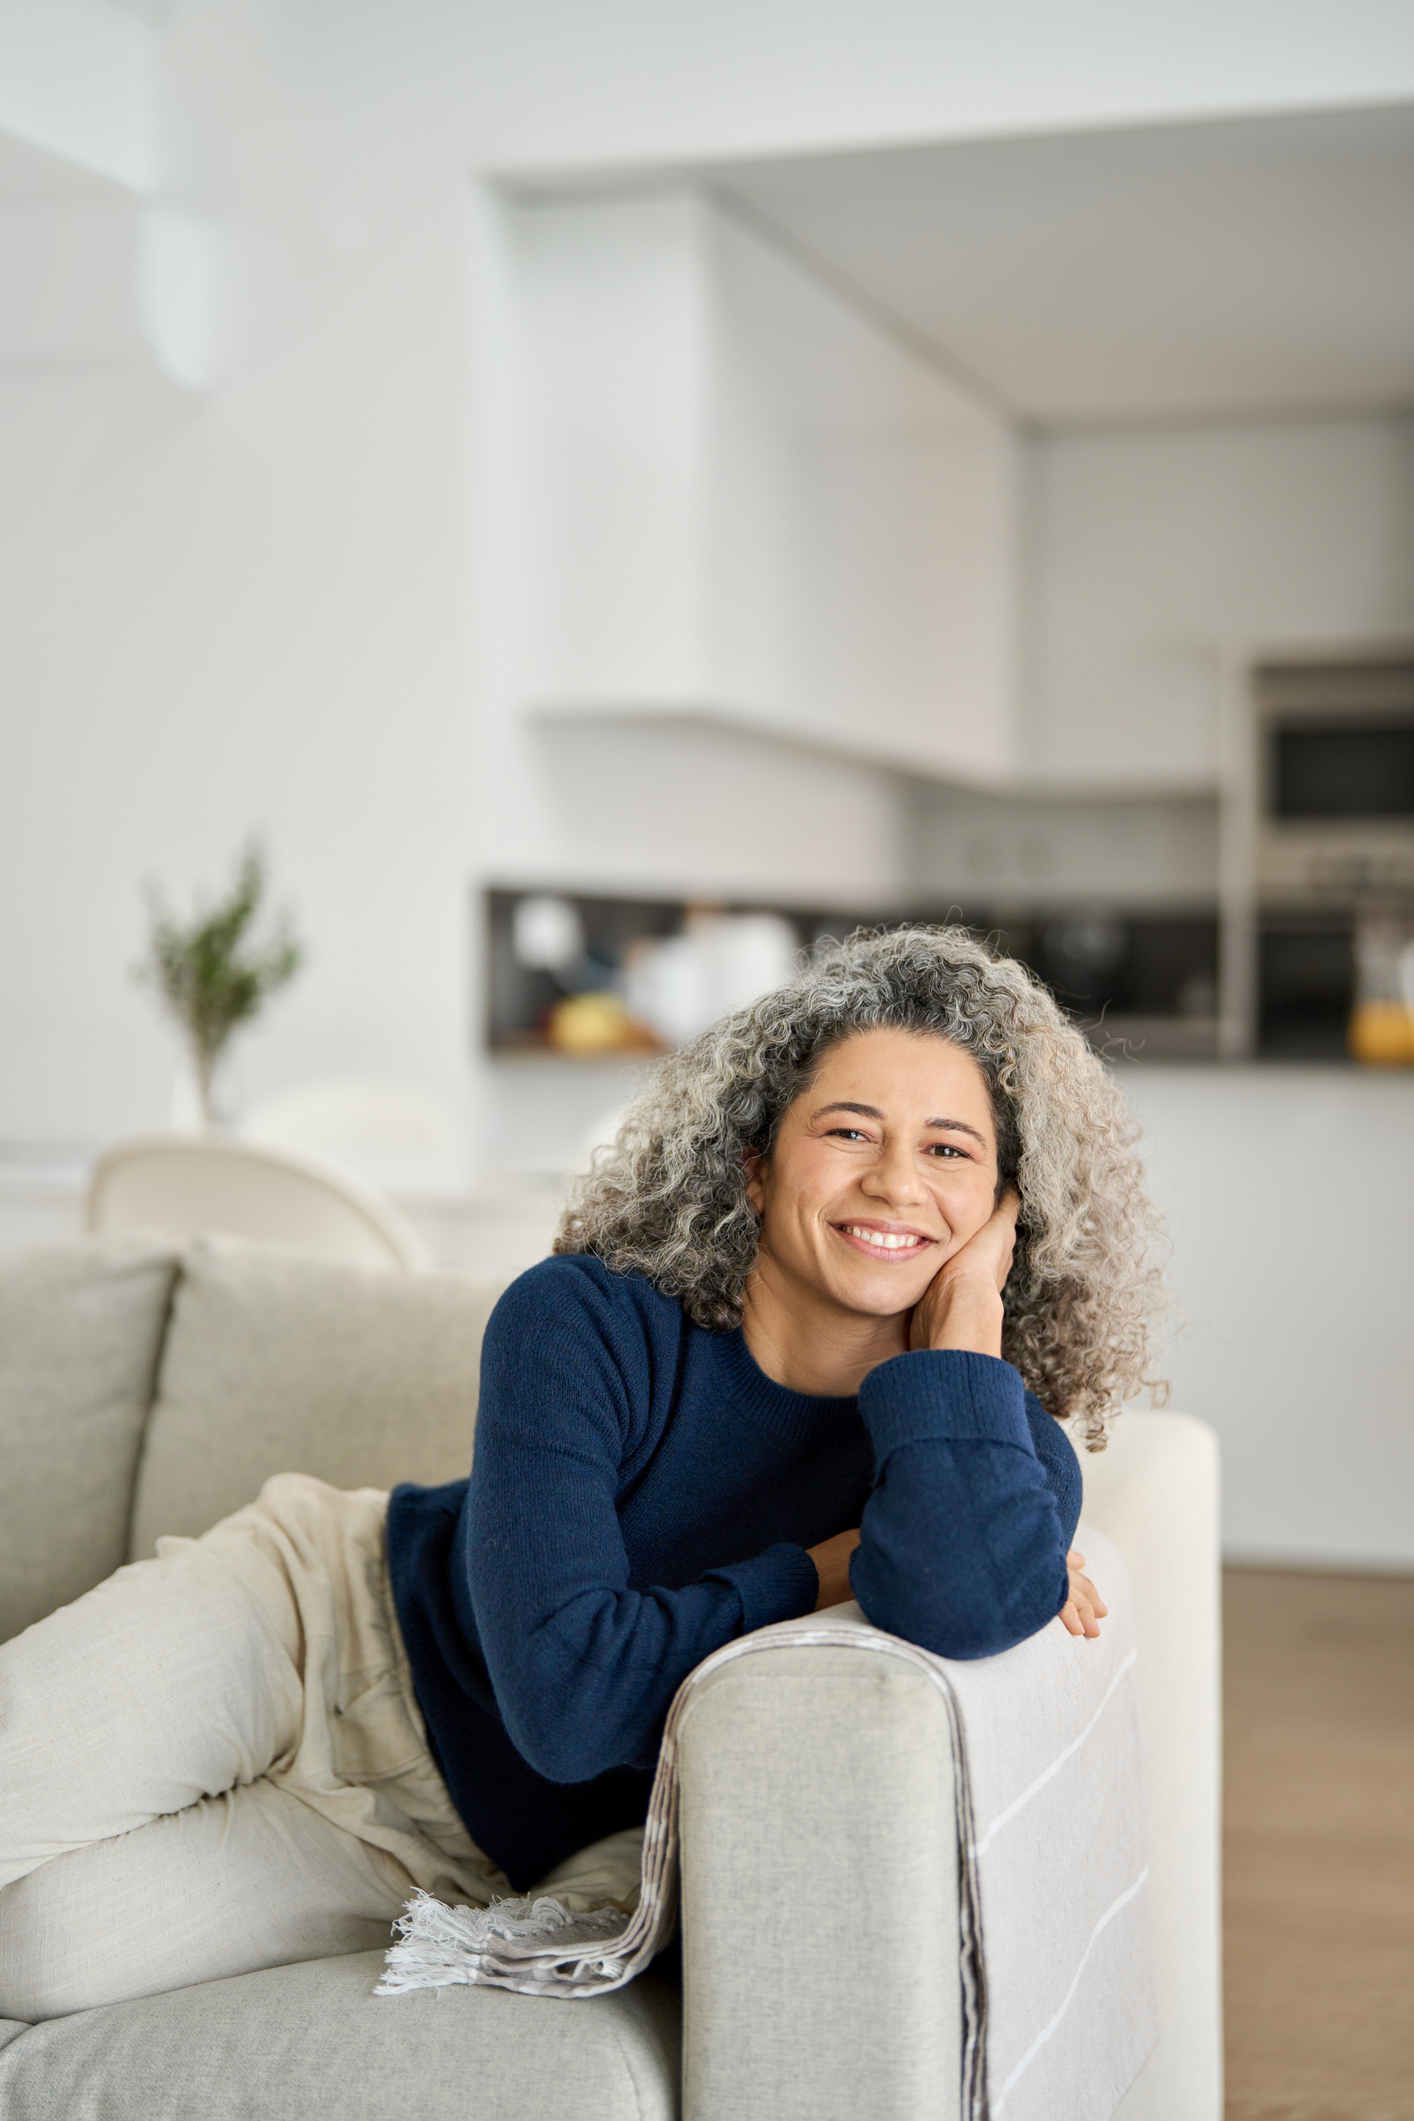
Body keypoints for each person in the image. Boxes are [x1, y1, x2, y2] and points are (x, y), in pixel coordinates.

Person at [0, 927, 1164, 2020]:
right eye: (848, 1131)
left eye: (951, 1153)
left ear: (1006, 1214)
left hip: (449, 1843)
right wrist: (830, 1568)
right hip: (312, 1629)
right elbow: (566, 1692)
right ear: (755, 1168)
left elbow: (957, 1595)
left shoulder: (992, 1445)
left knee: (34, 1951)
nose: (897, 1184)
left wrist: (963, 1345)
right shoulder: (582, 1322)